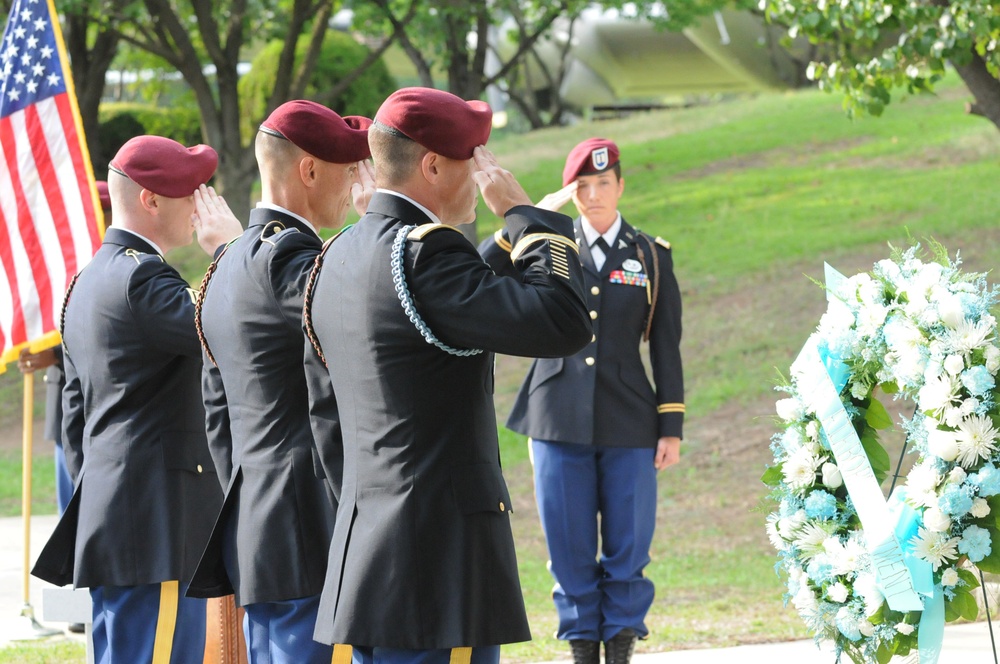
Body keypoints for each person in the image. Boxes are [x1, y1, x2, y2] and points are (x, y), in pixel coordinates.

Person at [301, 87, 593, 664]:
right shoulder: (429, 253)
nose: (484, 176)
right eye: (474, 159)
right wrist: (530, 218)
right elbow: (562, 322)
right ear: (432, 164)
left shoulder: (332, 258)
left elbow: (324, 415)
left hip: (369, 556)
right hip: (441, 568)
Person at [31, 135, 243, 664]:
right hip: (157, 526)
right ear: (151, 200)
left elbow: (76, 419)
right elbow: (226, 328)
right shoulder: (144, 279)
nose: (200, 204)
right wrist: (230, 253)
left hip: (114, 517)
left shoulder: (88, 280)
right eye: (189, 192)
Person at [479, 138, 684, 664]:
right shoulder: (547, 241)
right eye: (583, 187)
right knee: (568, 548)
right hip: (555, 417)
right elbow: (483, 279)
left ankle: (620, 649)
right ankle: (581, 652)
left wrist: (671, 426)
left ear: (620, 186)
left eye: (603, 184)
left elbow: (665, 346)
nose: (593, 195)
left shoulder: (649, 256)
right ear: (570, 193)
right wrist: (523, 221)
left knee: (628, 547)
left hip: (630, 419)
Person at [187, 100, 373, 663]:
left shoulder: (226, 263)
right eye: (347, 171)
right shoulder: (297, 259)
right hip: (312, 522)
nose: (354, 185)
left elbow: (215, 407)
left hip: (257, 520)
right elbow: (348, 376)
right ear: (309, 170)